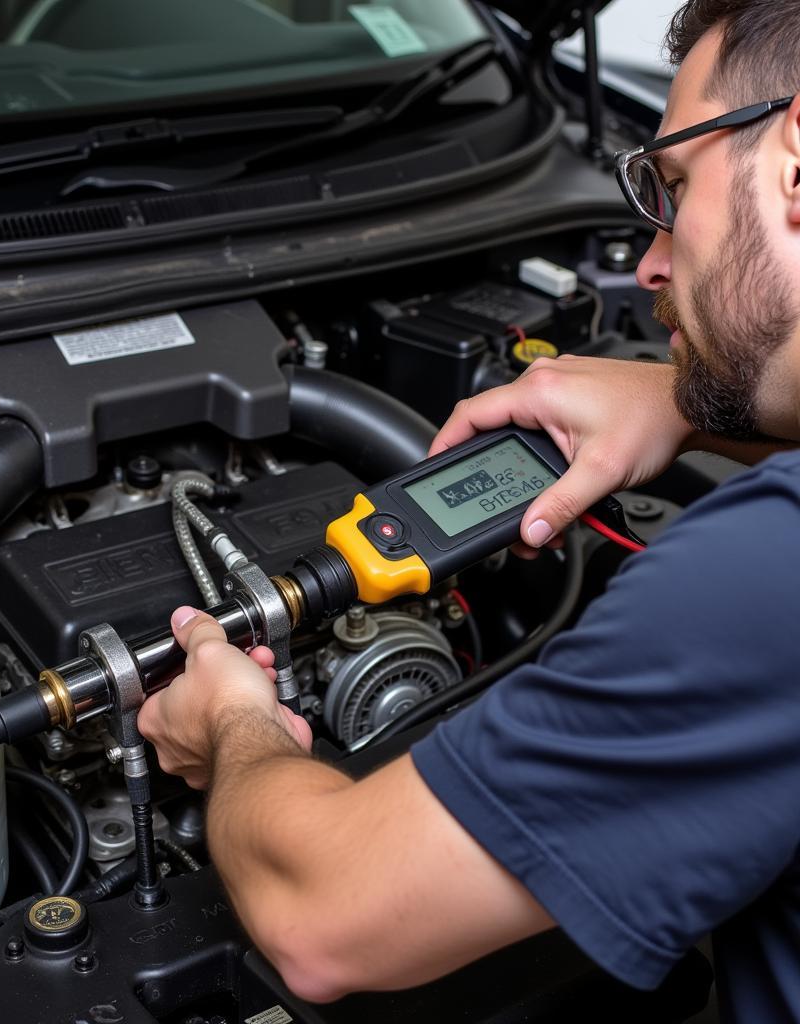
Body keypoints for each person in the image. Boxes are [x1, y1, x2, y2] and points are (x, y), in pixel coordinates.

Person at [138, 2, 800, 1019]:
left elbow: (323, 919)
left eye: (670, 186)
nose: (646, 265)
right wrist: (681, 402)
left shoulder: (761, 571)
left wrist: (230, 722)